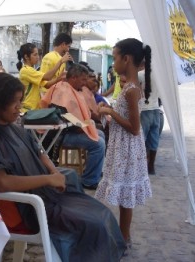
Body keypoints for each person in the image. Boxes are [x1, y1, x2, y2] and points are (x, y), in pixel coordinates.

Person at [0, 72, 126, 262]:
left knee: (102, 214)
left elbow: (40, 153)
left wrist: (54, 171)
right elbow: (1, 182)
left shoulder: (15, 127)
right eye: (15, 102)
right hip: (28, 208)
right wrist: (48, 179)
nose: (20, 107)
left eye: (21, 100)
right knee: (94, 225)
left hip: (46, 196)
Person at [95, 38, 153, 252]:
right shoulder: (129, 86)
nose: (113, 63)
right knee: (124, 196)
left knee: (126, 197)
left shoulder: (130, 90)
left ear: (126, 59)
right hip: (124, 146)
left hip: (127, 148)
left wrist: (110, 112)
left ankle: (124, 237)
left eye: (115, 57)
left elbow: (134, 127)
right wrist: (108, 110)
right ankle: (123, 236)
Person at [41, 64, 106, 190]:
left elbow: (78, 114)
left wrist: (86, 126)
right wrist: (81, 128)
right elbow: (62, 116)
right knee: (99, 144)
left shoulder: (74, 90)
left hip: (72, 129)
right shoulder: (62, 90)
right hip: (61, 135)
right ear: (74, 78)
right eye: (83, 79)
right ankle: (89, 181)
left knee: (101, 134)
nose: (85, 82)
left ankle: (93, 172)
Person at [16, 43, 70, 111]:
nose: (38, 57)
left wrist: (59, 78)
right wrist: (60, 61)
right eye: (35, 55)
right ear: (26, 57)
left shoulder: (32, 70)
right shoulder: (25, 70)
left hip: (34, 110)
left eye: (38, 54)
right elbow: (48, 77)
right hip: (27, 110)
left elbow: (47, 85)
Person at [139, 68, 161, 175]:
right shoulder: (159, 75)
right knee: (154, 139)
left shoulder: (139, 75)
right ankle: (151, 166)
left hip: (144, 109)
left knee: (141, 139)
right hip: (156, 109)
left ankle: (141, 165)